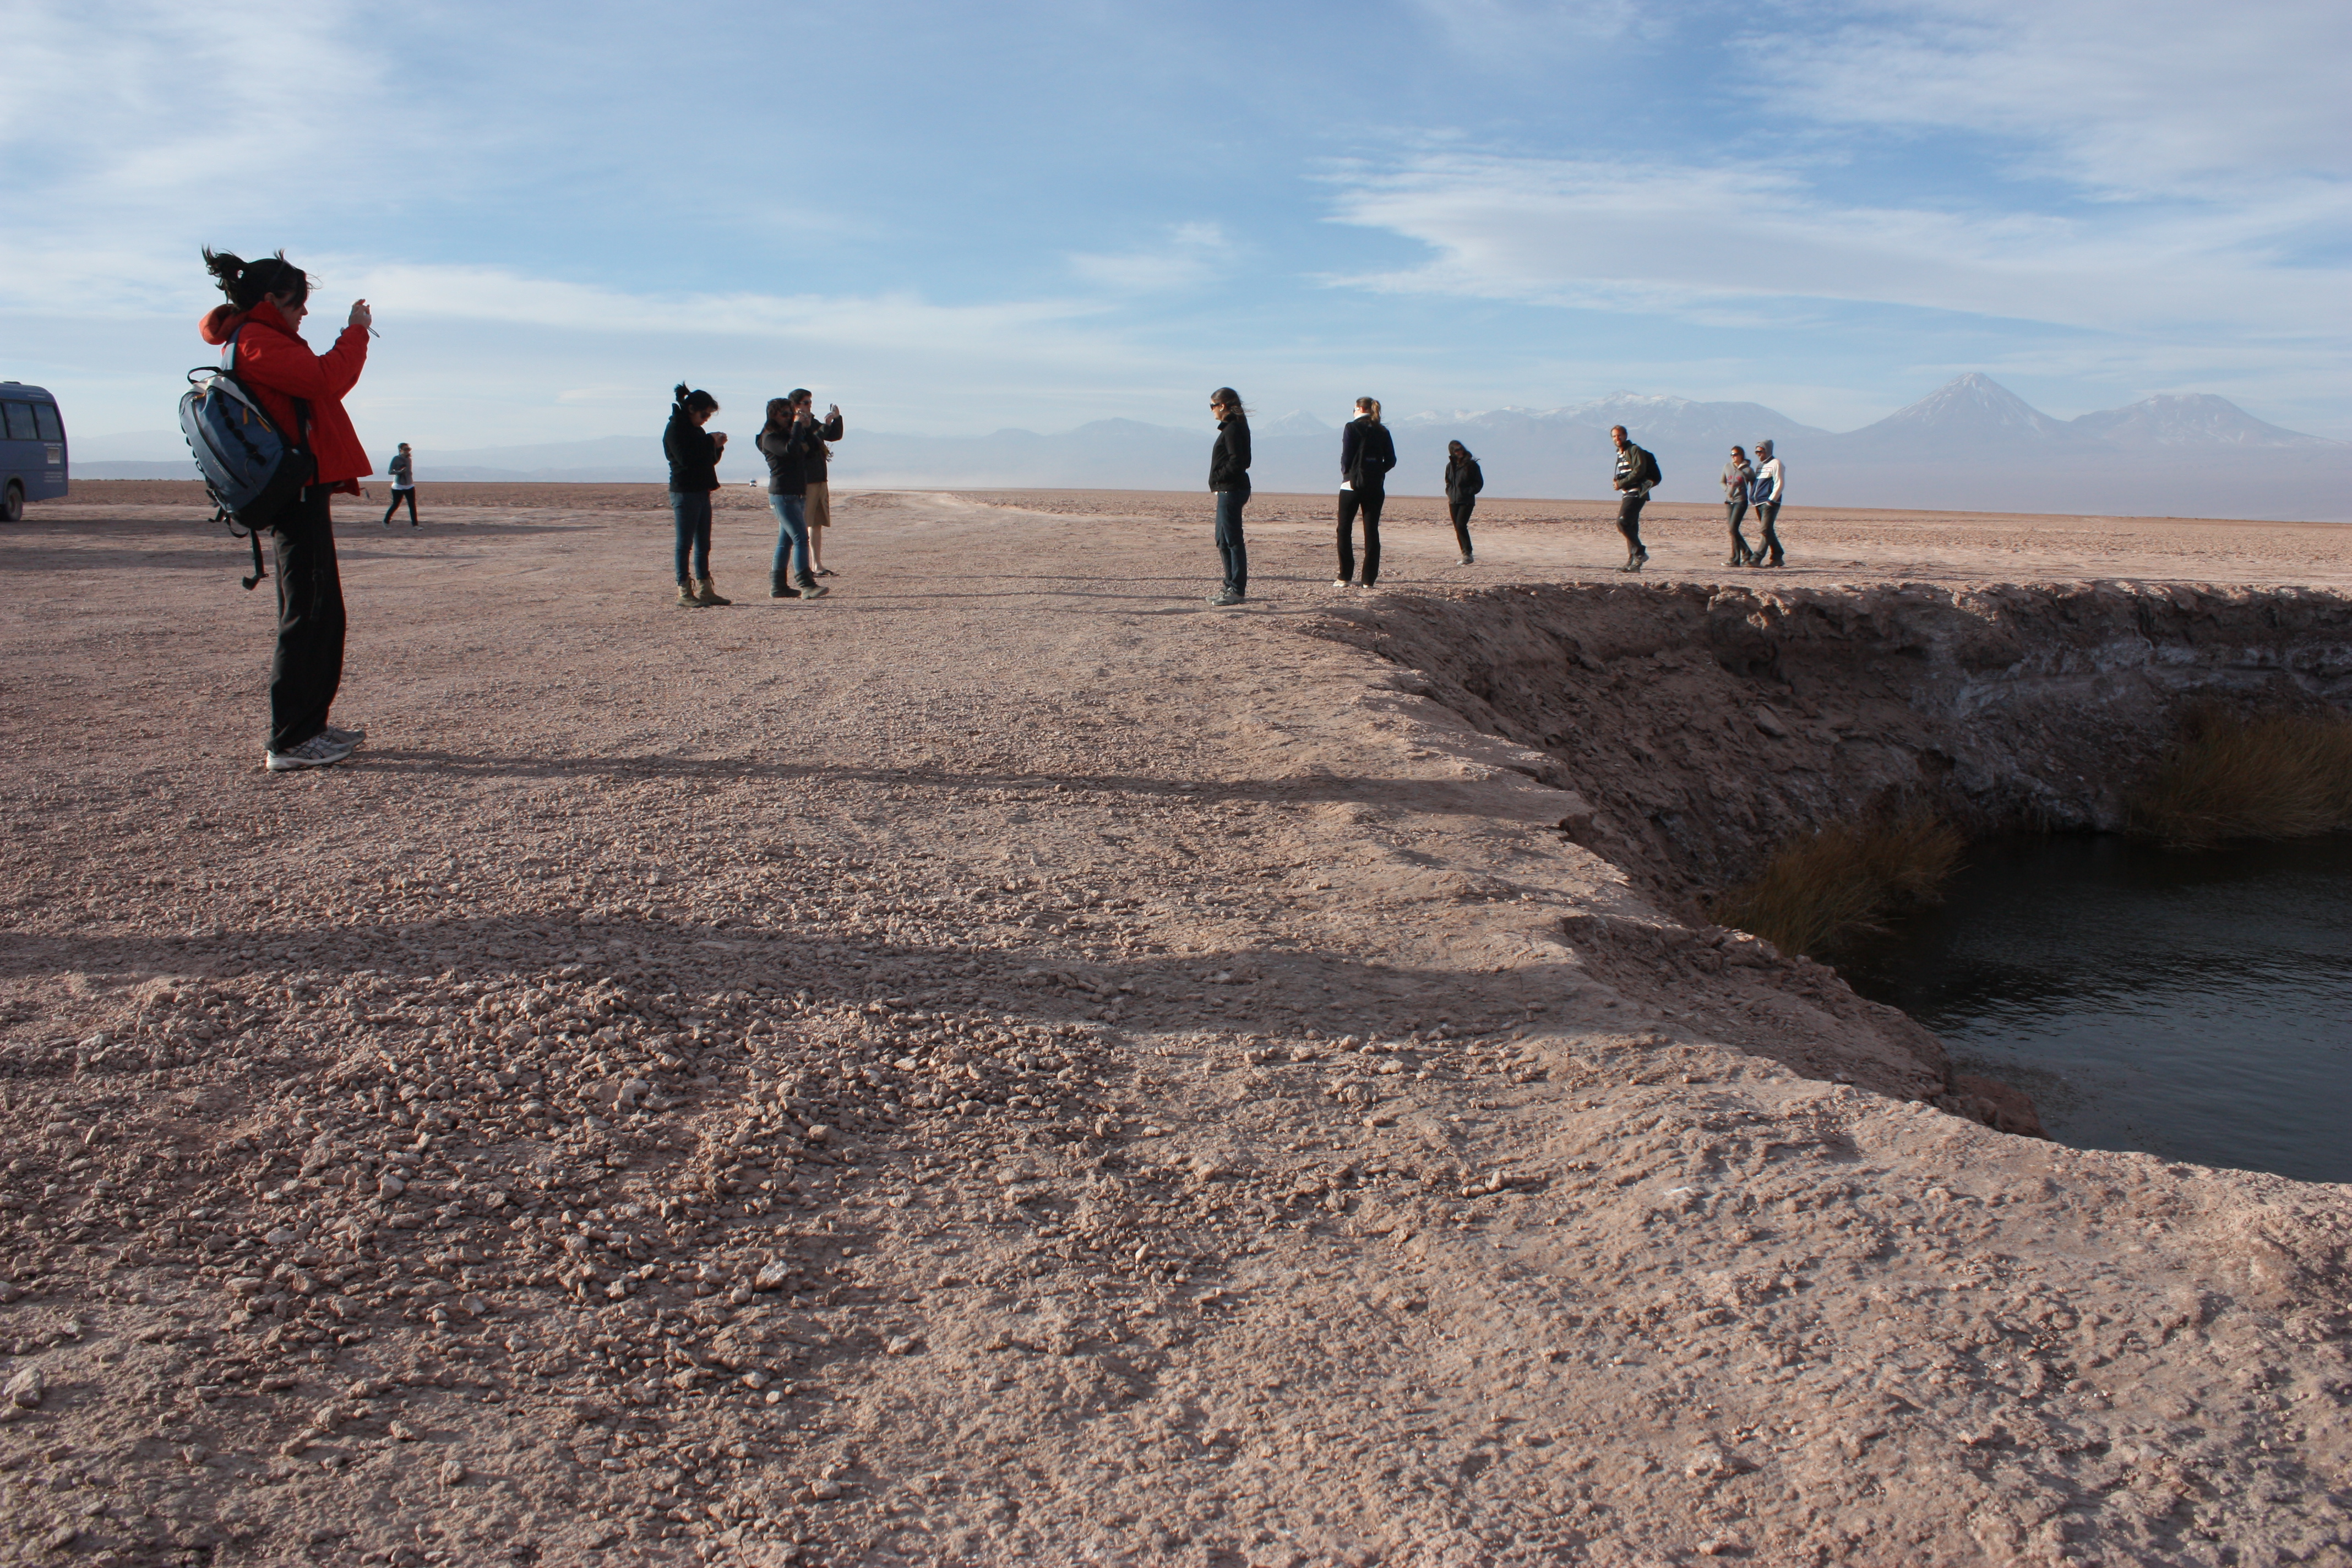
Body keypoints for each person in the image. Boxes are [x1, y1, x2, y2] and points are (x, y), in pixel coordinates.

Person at [198, 248, 372, 773]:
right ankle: (291, 739)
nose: (303, 313)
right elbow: (323, 379)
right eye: (299, 303)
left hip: (302, 489)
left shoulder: (262, 339)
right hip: (294, 493)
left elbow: (325, 386)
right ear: (273, 299)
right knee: (308, 613)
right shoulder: (256, 341)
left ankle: (310, 727)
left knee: (320, 611)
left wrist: (351, 341)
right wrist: (357, 331)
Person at [755, 396, 830, 601]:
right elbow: (791, 450)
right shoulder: (769, 437)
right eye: (785, 414)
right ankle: (806, 584)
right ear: (773, 416)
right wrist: (798, 426)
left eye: (791, 413)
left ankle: (778, 586)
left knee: (785, 541)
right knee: (800, 537)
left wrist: (805, 428)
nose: (790, 418)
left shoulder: (791, 433)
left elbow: (815, 449)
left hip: (797, 494)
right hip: (782, 495)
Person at [663, 384, 728, 607]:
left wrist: (716, 447)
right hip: (684, 492)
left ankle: (705, 589)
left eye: (709, 415)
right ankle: (684, 589)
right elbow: (686, 459)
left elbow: (707, 461)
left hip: (702, 491)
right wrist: (709, 442)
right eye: (705, 414)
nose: (706, 419)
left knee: (703, 544)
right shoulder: (675, 430)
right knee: (685, 544)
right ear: (691, 409)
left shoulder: (697, 432)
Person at [1335, 397, 1396, 588]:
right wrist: (1376, 472)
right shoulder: (1382, 430)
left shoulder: (1352, 427)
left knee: (1344, 529)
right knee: (1371, 531)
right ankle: (1368, 580)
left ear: (1360, 409)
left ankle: (1345, 576)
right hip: (1376, 487)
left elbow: (1347, 456)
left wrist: (1349, 474)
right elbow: (1392, 460)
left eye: (1354, 408)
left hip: (1351, 486)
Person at [791, 390, 845, 578]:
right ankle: (803, 566)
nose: (809, 405)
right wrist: (826, 426)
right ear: (796, 405)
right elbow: (809, 444)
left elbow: (832, 436)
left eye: (810, 402)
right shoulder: (795, 424)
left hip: (820, 477)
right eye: (806, 402)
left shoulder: (811, 422)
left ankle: (817, 564)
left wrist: (836, 420)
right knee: (803, 524)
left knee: (817, 523)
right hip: (807, 480)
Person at [1206, 388, 1251, 606]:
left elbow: (1240, 461)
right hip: (1228, 490)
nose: (1212, 411)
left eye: (1212, 406)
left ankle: (1236, 589)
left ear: (1222, 406)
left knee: (1233, 541)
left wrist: (1219, 477)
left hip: (1232, 490)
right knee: (1223, 540)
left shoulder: (1233, 428)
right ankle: (1229, 585)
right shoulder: (1234, 427)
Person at [1609, 424, 1659, 572]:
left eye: (1620, 435)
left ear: (1626, 436)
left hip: (1637, 492)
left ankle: (1640, 552)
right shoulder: (1620, 453)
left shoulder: (1634, 450)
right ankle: (1633, 564)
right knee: (1631, 527)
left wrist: (1622, 483)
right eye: (1614, 436)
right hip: (1627, 493)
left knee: (1622, 522)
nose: (1617, 438)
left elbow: (1639, 471)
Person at [1443, 440, 1484, 565]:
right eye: (1456, 450)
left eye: (1461, 449)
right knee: (1458, 528)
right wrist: (1450, 492)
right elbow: (1448, 482)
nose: (1460, 452)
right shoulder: (1450, 466)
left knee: (1461, 525)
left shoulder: (1471, 465)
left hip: (1466, 501)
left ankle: (1468, 554)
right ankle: (1464, 552)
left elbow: (1479, 483)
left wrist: (1468, 492)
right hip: (1454, 501)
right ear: (1452, 452)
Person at [1750, 439, 1787, 567]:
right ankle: (1777, 555)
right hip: (1758, 502)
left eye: (1761, 451)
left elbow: (1779, 483)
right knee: (1768, 531)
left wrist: (1772, 500)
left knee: (1765, 530)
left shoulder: (1776, 464)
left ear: (1768, 451)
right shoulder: (1760, 466)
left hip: (1769, 503)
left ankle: (1757, 557)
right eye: (1757, 452)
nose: (1758, 454)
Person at [1721, 445, 1756, 567]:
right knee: (1732, 531)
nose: (1733, 457)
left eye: (1735, 455)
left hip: (1741, 501)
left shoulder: (1748, 470)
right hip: (1729, 501)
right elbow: (1722, 481)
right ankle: (1739, 557)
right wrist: (1727, 489)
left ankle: (1741, 555)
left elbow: (1754, 484)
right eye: (1731, 455)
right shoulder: (1727, 467)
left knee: (1733, 529)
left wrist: (1753, 497)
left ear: (1741, 455)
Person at [380, 442, 418, 527]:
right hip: (398, 486)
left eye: (408, 449)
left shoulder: (409, 460)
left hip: (409, 484)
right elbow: (390, 472)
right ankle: (386, 522)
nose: (407, 451)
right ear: (400, 450)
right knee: (396, 505)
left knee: (412, 505)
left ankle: (415, 525)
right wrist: (399, 472)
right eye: (405, 449)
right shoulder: (396, 459)